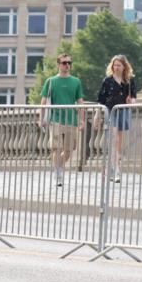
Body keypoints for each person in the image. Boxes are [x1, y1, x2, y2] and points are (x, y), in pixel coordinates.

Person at [39, 53, 85, 187]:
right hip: (56, 119)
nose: (67, 65)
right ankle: (59, 173)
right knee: (56, 148)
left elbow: (80, 101)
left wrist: (82, 120)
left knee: (70, 150)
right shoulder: (51, 81)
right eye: (64, 63)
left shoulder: (76, 81)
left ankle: (58, 167)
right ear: (58, 64)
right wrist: (41, 119)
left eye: (69, 63)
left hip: (71, 119)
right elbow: (43, 101)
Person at [95, 54, 137, 183]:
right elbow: (101, 100)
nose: (116, 67)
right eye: (115, 65)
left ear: (124, 66)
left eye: (119, 65)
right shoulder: (107, 80)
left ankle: (116, 168)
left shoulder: (129, 81)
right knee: (113, 140)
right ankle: (114, 169)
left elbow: (134, 97)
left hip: (123, 111)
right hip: (110, 111)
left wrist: (132, 102)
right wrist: (97, 114)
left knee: (119, 142)